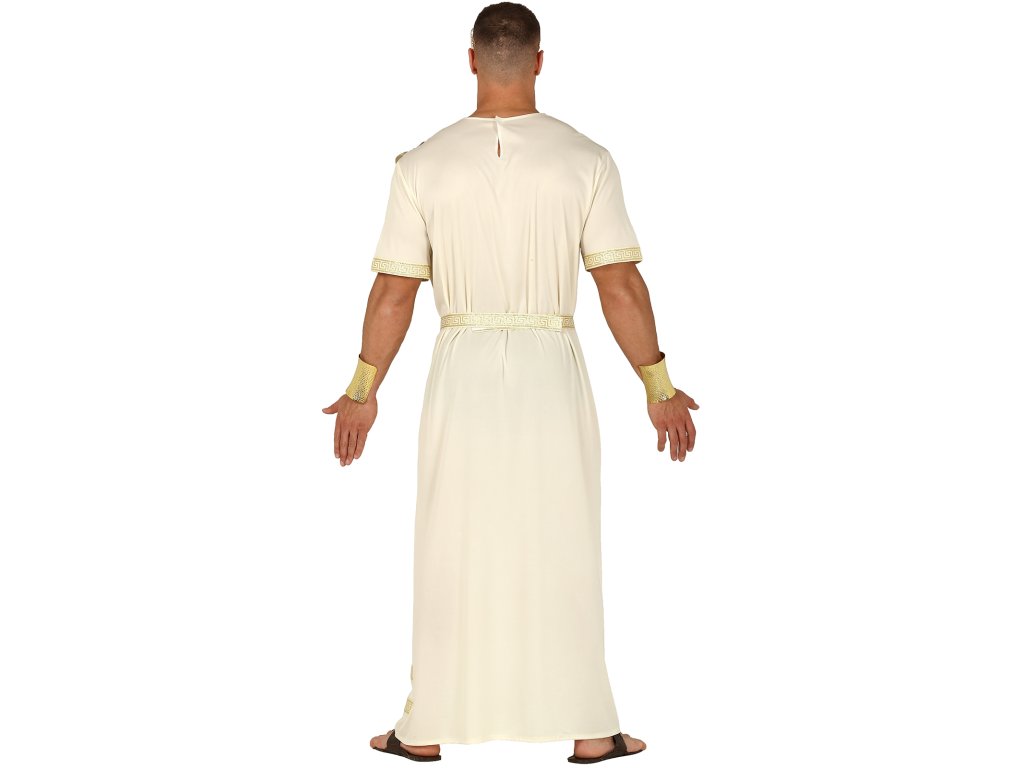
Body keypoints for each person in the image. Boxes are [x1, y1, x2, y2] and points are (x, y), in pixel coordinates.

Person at [322, 2, 699, 762]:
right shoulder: (586, 159)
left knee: (449, 542)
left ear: (470, 60)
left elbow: (394, 292)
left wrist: (363, 390)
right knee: (563, 539)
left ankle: (424, 731)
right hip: (551, 366)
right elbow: (619, 284)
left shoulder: (421, 164)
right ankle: (591, 730)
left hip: (458, 368)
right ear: (539, 60)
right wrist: (658, 385)